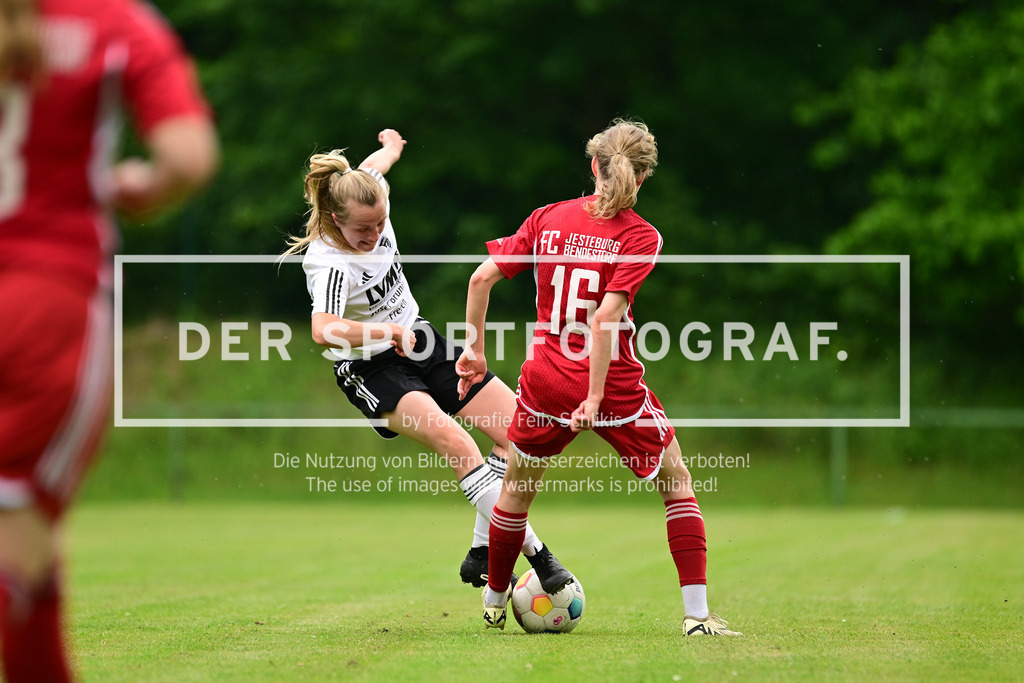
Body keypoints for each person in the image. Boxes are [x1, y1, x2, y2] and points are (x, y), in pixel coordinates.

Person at [0, 0, 219, 679]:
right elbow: (188, 155)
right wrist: (140, 188)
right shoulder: (115, 24)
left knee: (24, 542)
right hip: (46, 296)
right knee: (20, 528)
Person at [456, 118, 742, 636]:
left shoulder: (548, 218)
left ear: (594, 165)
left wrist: (474, 353)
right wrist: (591, 397)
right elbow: (606, 319)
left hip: (544, 380)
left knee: (517, 492)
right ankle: (697, 618)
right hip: (611, 386)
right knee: (677, 484)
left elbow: (481, 278)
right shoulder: (640, 236)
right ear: (644, 175)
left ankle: (495, 603)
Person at [281, 129, 572, 596]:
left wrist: (392, 149)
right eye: (363, 231)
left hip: (420, 340)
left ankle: (481, 554)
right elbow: (323, 328)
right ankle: (539, 555)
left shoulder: (369, 193)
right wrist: (388, 332)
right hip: (371, 367)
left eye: (380, 225)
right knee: (457, 442)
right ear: (336, 220)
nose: (374, 236)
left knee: (520, 432)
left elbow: (378, 166)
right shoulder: (331, 261)